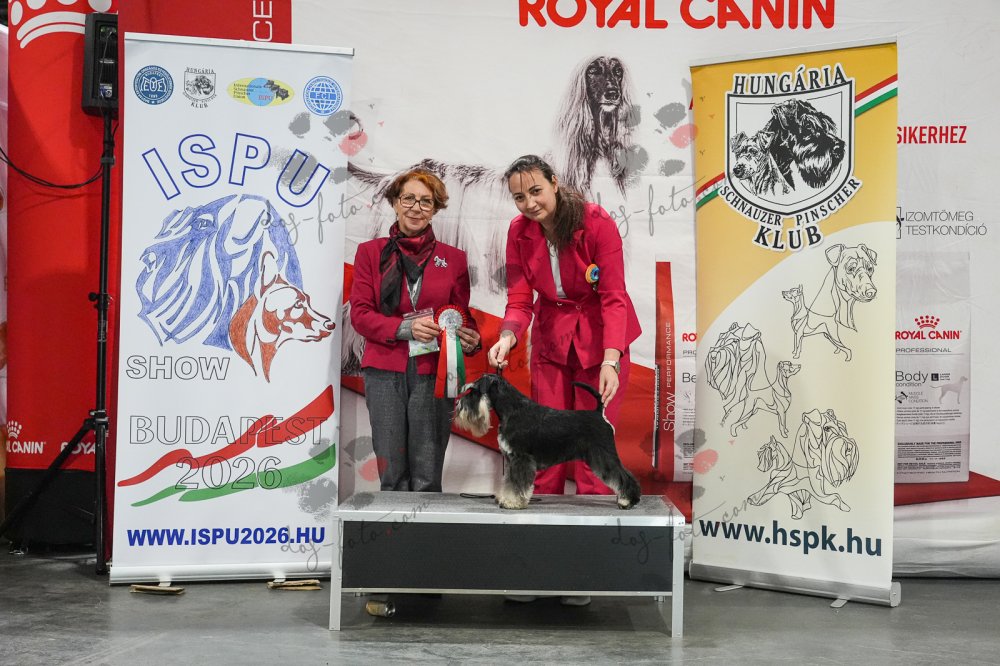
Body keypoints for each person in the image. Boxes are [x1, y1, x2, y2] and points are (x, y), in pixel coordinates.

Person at [489, 154, 641, 497]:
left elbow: (614, 297)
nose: (530, 204)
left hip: (601, 342)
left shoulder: (596, 222)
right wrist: (508, 336)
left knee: (592, 448)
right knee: (541, 443)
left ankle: (595, 523)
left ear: (554, 183)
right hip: (551, 343)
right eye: (519, 197)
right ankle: (543, 523)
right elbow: (519, 299)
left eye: (536, 191)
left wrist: (611, 360)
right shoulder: (517, 231)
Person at [350, 168, 480, 492]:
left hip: (432, 371)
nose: (416, 207)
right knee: (392, 471)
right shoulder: (370, 252)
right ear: (395, 202)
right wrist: (404, 328)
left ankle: (425, 525)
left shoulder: (454, 259)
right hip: (383, 368)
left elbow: (460, 315)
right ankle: (393, 525)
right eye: (408, 198)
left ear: (435, 209)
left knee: (427, 470)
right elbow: (360, 315)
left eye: (425, 201)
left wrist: (470, 338)